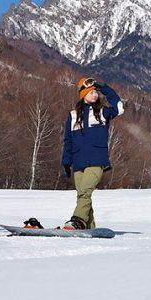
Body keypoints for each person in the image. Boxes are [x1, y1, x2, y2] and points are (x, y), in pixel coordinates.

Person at [61, 77, 124, 229]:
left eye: (96, 92)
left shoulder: (103, 112)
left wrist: (105, 88)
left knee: (85, 193)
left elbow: (119, 108)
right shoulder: (73, 115)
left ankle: (78, 221)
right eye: (91, 92)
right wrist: (66, 161)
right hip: (78, 161)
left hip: (97, 161)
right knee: (81, 195)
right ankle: (90, 227)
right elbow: (68, 140)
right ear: (83, 94)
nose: (95, 95)